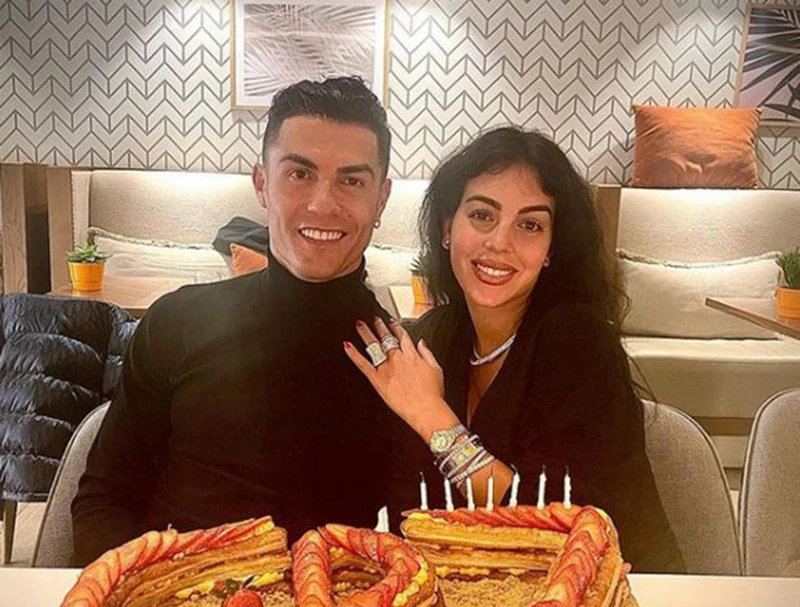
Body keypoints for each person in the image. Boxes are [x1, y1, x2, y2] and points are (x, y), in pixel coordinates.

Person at [72, 76, 395, 566]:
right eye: (299, 174)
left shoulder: (401, 360)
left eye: (351, 181)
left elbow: (420, 534)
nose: (322, 204)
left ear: (381, 199)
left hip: (333, 603)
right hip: (175, 593)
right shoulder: (178, 321)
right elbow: (105, 500)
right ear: (262, 183)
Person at [344, 127, 685, 573]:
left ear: (550, 249)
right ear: (447, 228)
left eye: (529, 225)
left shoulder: (577, 341)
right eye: (482, 215)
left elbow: (556, 529)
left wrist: (432, 417)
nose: (500, 242)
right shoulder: (432, 338)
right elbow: (407, 510)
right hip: (474, 592)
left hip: (617, 593)